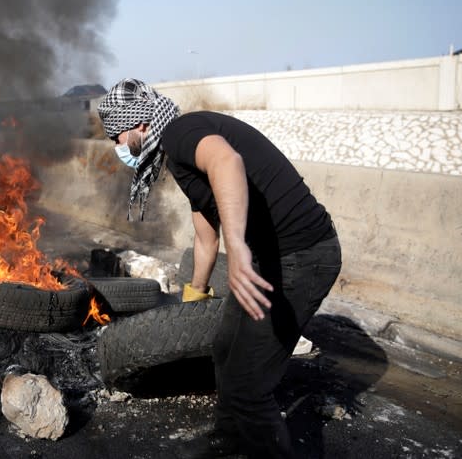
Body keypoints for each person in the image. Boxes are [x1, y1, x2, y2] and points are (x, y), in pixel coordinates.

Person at [97, 78, 342, 458]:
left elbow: (228, 161)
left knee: (249, 385)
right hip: (276, 258)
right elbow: (205, 236)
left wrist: (240, 248)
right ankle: (228, 444)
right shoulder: (178, 153)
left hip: (303, 256)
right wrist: (195, 291)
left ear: (140, 124)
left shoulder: (181, 133)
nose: (116, 147)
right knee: (226, 350)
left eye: (116, 135)